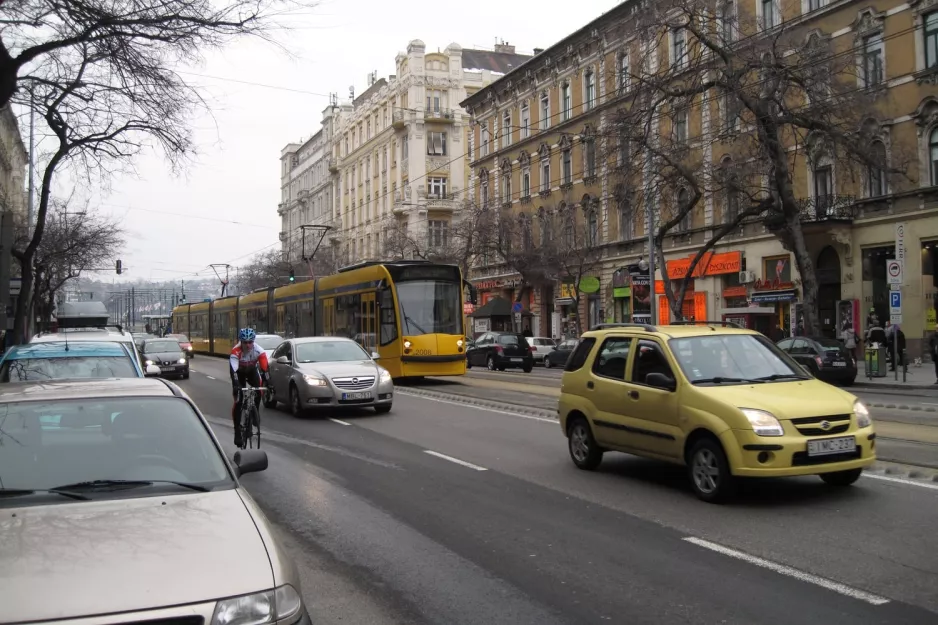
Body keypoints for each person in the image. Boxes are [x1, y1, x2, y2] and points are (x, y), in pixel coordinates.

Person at [230, 327, 270, 447]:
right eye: (245, 342)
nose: (248, 345)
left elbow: (265, 369)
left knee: (259, 389)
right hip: (239, 373)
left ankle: (254, 412)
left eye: (250, 342)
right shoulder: (235, 351)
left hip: (252, 371)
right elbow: (234, 372)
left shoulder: (259, 351)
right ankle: (237, 431)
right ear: (241, 342)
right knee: (238, 400)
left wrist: (269, 383)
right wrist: (236, 385)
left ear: (254, 341)